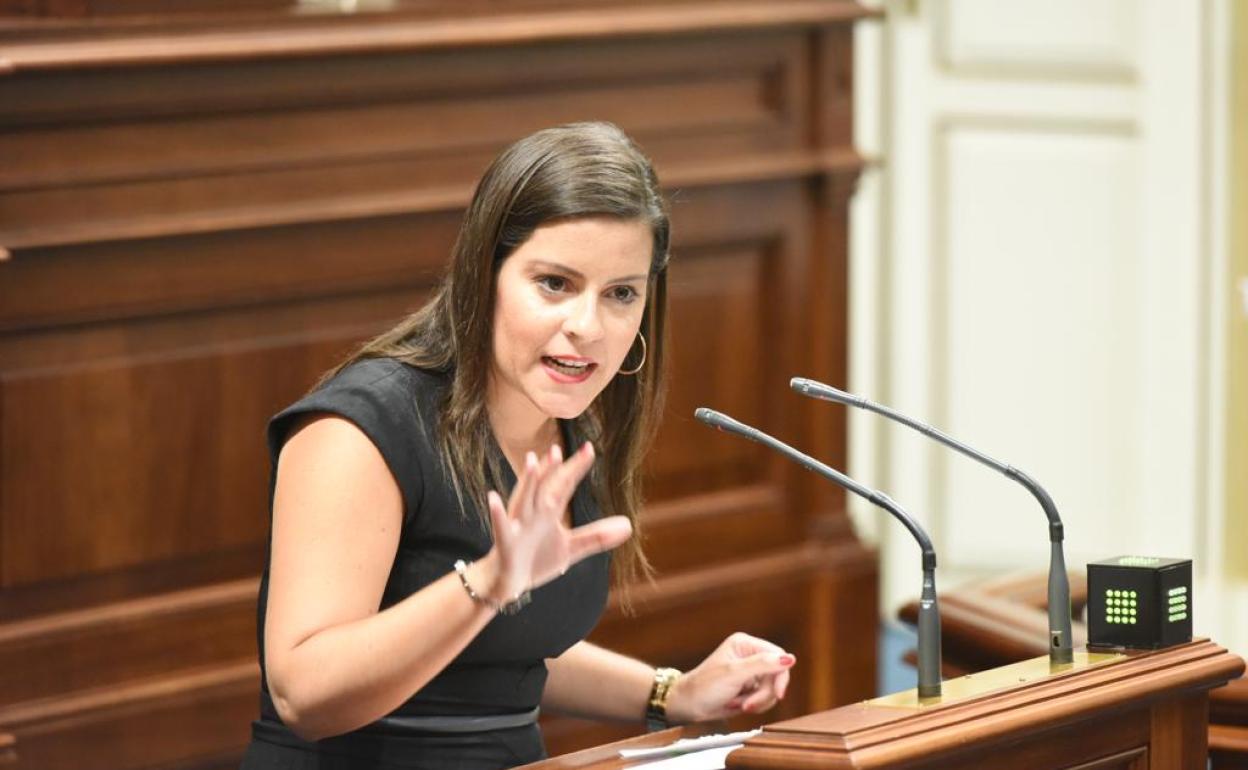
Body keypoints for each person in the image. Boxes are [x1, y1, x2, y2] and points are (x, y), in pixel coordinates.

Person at [241, 121, 796, 770]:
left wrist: (673, 693)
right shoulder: (361, 430)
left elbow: (500, 648)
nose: (587, 327)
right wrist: (489, 582)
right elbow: (303, 695)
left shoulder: (567, 419)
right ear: (486, 275)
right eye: (555, 284)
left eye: (621, 293)